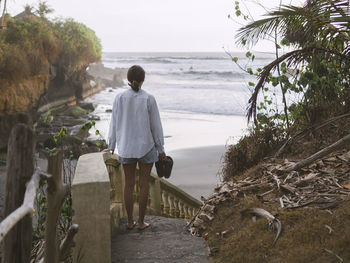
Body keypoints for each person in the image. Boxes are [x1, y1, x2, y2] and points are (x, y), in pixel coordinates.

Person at [106, 65, 166, 230]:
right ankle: (141, 222)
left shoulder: (119, 98)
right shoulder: (149, 99)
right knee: (144, 184)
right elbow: (156, 126)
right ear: (142, 80)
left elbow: (114, 123)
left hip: (125, 147)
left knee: (129, 185)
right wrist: (160, 149)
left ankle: (130, 221)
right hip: (147, 147)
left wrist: (111, 145)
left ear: (128, 78)